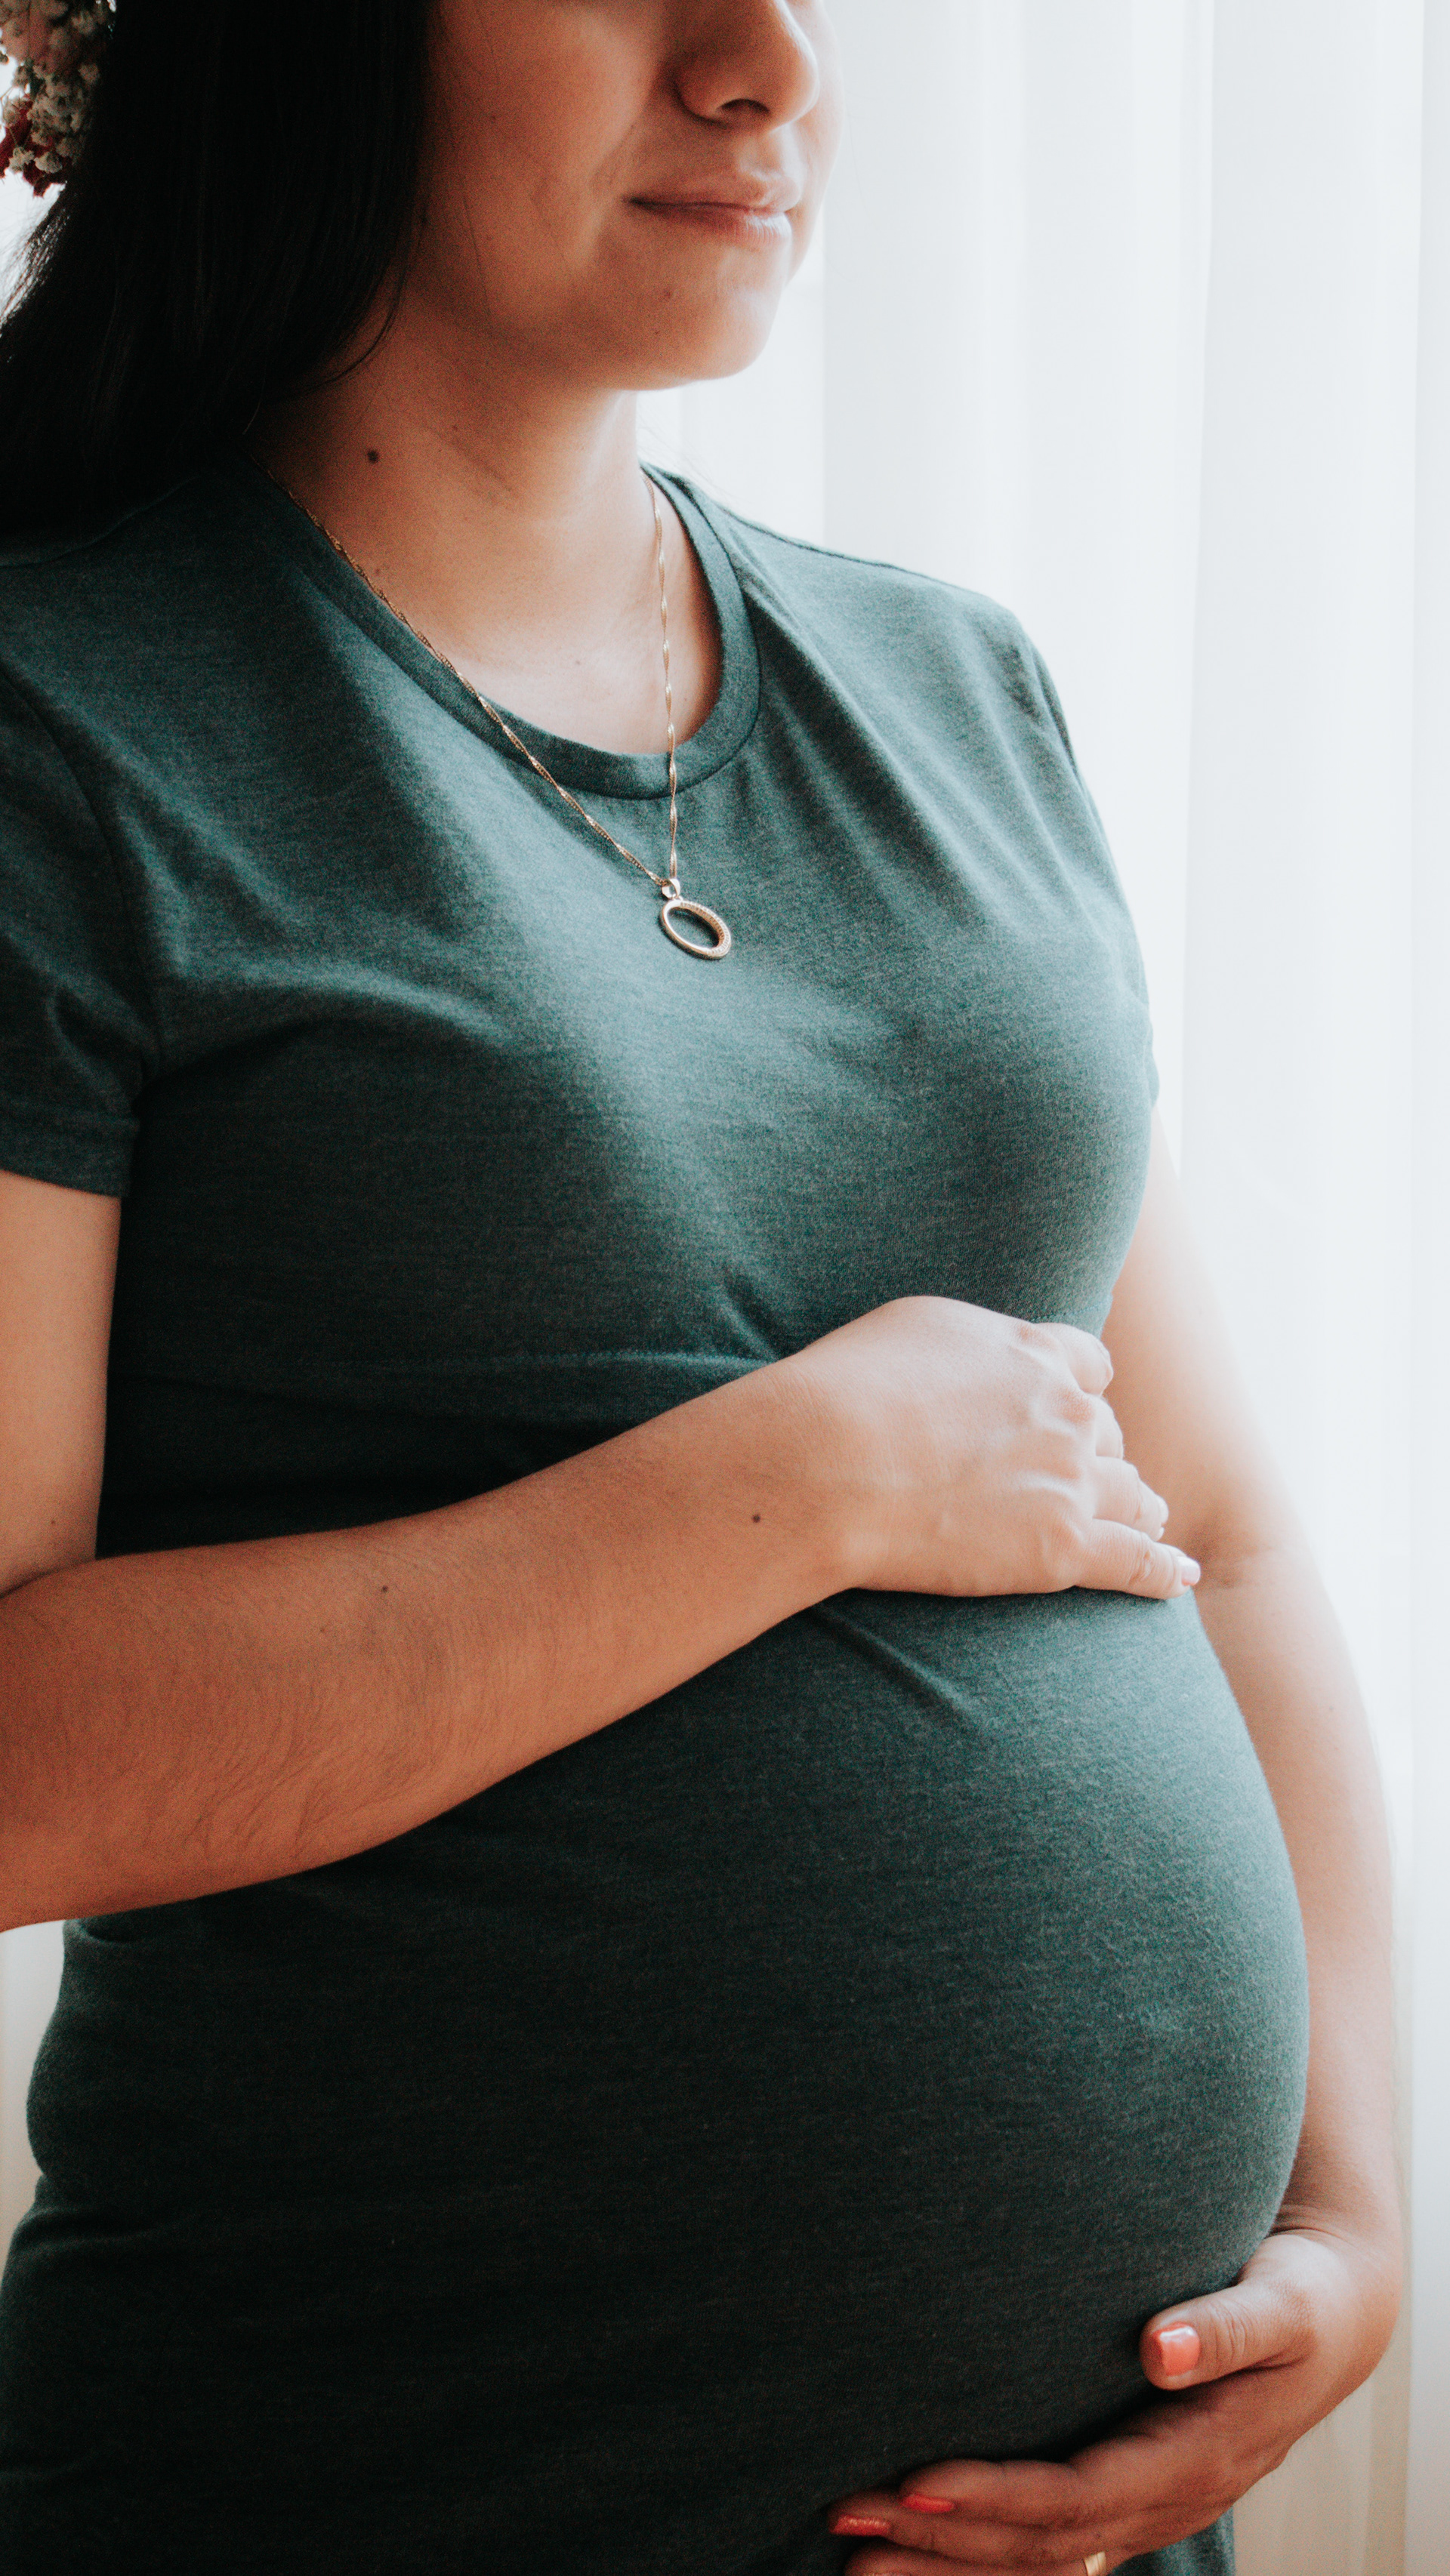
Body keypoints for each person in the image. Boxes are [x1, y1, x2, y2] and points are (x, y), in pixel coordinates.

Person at [0, 5, 1400, 2572]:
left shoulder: (955, 689)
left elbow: (1230, 1527)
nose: (765, 63)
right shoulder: (59, 728)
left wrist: (1354, 2199)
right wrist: (792, 1484)